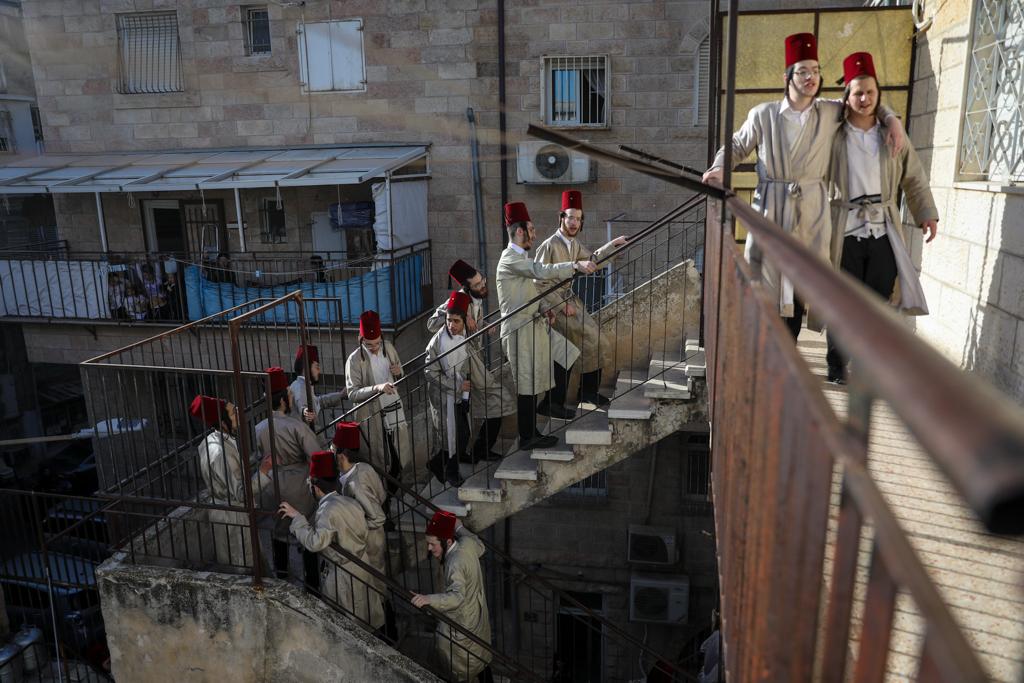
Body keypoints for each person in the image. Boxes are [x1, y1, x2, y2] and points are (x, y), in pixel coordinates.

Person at [703, 32, 906, 340]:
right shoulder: (763, 114)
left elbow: (865, 102)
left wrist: (892, 119)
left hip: (811, 211)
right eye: (803, 71)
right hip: (772, 207)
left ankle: (788, 353)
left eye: (815, 70)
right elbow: (737, 145)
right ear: (787, 76)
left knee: (799, 290)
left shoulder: (830, 111)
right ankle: (763, 355)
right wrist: (719, 168)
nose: (811, 77)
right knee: (766, 284)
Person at [824, 52, 939, 384]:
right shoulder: (834, 134)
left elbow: (914, 177)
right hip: (843, 228)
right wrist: (891, 115)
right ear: (847, 96)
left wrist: (926, 213)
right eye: (857, 93)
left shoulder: (893, 136)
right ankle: (836, 363)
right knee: (842, 300)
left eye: (871, 92)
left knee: (877, 302)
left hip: (882, 228)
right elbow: (821, 107)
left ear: (879, 93)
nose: (865, 99)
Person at [496, 202, 596, 451]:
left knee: (566, 352)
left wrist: (545, 308)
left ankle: (549, 404)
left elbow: (529, 290)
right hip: (519, 330)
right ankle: (528, 436)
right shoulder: (510, 259)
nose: (535, 233)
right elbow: (540, 271)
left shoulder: (521, 258)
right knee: (527, 384)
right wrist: (573, 266)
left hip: (535, 323)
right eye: (531, 229)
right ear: (519, 232)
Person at [534, 190, 628, 406]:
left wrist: (612, 245)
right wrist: (560, 305)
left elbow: (592, 260)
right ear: (561, 218)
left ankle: (587, 393)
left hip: (570, 302)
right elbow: (538, 283)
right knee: (588, 343)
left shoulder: (573, 244)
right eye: (570, 217)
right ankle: (581, 395)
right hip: (556, 307)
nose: (574, 223)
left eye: (578, 218)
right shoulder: (549, 245)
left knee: (595, 342)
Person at [279, 450, 385, 631]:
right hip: (361, 566)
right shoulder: (349, 501)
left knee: (350, 627)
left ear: (316, 487)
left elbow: (315, 542)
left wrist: (297, 517)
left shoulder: (327, 510)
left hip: (344, 574)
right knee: (366, 618)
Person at [427, 259, 516, 463]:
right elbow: (431, 324)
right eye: (477, 285)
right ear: (466, 288)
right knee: (498, 398)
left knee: (468, 407)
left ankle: (474, 451)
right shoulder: (458, 299)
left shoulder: (477, 298)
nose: (482, 286)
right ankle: (468, 454)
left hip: (473, 359)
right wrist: (454, 312)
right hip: (463, 360)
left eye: (482, 281)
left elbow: (475, 319)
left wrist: (484, 323)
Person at [251, 366, 320, 579]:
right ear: (283, 401)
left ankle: (281, 577)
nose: (291, 397)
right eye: (289, 394)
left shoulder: (259, 428)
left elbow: (258, 457)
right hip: (299, 487)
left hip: (272, 487)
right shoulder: (297, 427)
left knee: (278, 534)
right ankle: (312, 584)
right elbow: (316, 455)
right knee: (306, 531)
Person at [345, 310, 423, 496]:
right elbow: (352, 393)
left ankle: (392, 492)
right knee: (380, 459)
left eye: (377, 343)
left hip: (393, 409)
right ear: (361, 339)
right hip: (372, 416)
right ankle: (384, 497)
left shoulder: (388, 347)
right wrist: (377, 388)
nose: (375, 348)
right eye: (369, 345)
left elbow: (400, 374)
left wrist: (398, 372)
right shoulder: (354, 359)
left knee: (397, 455)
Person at [411, 511, 493, 683]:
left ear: (448, 541)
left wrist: (428, 599)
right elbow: (480, 545)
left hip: (463, 621)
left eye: (433, 544)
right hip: (477, 615)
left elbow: (457, 597)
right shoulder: (467, 544)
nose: (429, 549)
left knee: (459, 666)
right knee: (481, 660)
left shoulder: (454, 562)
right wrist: (458, 526)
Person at [333, 420, 396, 642]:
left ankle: (388, 638)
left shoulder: (354, 484)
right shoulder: (366, 469)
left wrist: (356, 524)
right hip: (375, 538)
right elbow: (382, 496)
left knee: (377, 590)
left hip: (370, 539)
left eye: (334, 448)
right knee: (380, 587)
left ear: (342, 453)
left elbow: (378, 516)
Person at [424, 291, 491, 487]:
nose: (451, 326)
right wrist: (455, 386)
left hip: (462, 393)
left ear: (464, 321)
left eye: (456, 321)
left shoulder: (469, 334)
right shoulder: (437, 341)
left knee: (462, 435)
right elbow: (429, 371)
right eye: (448, 320)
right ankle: (450, 472)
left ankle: (438, 464)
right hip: (443, 395)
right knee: (452, 436)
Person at [191, 394, 254, 569]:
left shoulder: (212, 441)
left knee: (235, 562)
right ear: (222, 422)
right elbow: (240, 492)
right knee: (241, 565)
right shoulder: (219, 451)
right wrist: (264, 473)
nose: (238, 415)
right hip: (231, 514)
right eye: (234, 413)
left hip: (224, 510)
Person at [290, 344, 346, 429]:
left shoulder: (302, 384)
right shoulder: (300, 387)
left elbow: (318, 401)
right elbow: (302, 405)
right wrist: (305, 411)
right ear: (306, 368)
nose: (319, 371)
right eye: (317, 367)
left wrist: (341, 395)